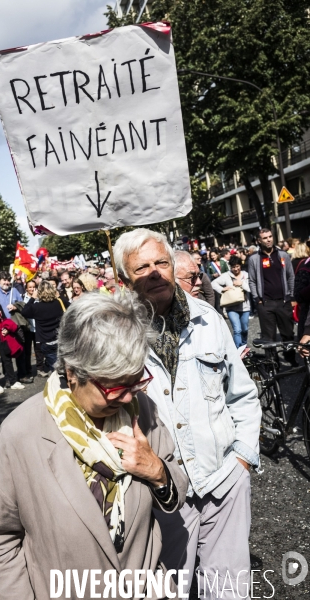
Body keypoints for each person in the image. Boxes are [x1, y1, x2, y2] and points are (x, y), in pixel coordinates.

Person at [0, 292, 188, 599]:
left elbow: (175, 490)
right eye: (115, 386)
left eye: (136, 381)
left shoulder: (142, 410)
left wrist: (157, 471)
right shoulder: (21, 433)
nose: (129, 397)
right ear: (73, 372)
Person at [113, 228, 261, 598]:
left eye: (161, 262)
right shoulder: (115, 335)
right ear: (123, 280)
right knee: (169, 589)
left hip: (223, 480)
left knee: (229, 590)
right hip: (160, 495)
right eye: (141, 267)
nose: (154, 272)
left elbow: (241, 394)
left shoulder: (208, 319)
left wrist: (242, 459)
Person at [248, 228, 296, 365]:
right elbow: (252, 280)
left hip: (283, 301)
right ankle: (273, 362)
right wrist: (257, 299)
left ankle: (291, 358)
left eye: (270, 237)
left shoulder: (283, 255)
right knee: (268, 337)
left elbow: (290, 276)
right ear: (258, 240)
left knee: (288, 333)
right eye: (264, 238)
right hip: (265, 303)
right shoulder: (254, 259)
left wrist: (291, 296)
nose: (268, 240)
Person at [21, 281, 66, 377]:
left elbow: (24, 312)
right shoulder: (58, 303)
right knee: (63, 367)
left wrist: (32, 298)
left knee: (56, 370)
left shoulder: (36, 307)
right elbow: (70, 306)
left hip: (46, 342)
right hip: (59, 339)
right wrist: (59, 297)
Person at [211, 256, 251, 348]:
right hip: (231, 307)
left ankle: (244, 346)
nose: (236, 269)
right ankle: (238, 350)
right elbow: (213, 283)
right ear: (230, 267)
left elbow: (250, 289)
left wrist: (242, 284)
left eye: (237, 266)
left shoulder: (246, 275)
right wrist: (222, 289)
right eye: (233, 267)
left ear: (240, 265)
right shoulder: (226, 276)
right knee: (237, 330)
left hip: (245, 306)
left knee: (244, 329)